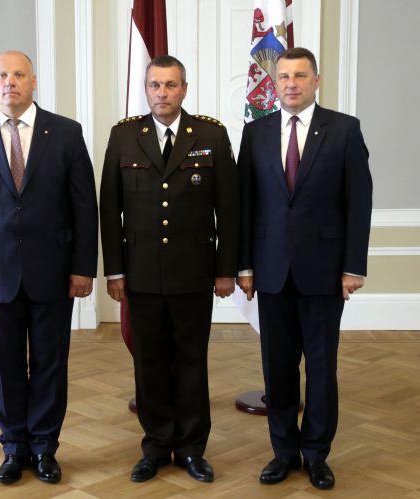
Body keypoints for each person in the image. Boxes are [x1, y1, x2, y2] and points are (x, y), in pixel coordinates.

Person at [0, 50, 98, 485]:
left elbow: (84, 207)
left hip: (54, 271)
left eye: (18, 74)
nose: (10, 82)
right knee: (4, 365)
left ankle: (45, 447)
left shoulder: (66, 132)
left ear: (33, 82)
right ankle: (14, 447)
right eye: (2, 75)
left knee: (50, 364)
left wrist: (84, 267)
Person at [237, 47, 372, 490]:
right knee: (277, 369)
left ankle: (316, 454)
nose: (291, 84)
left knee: (321, 368)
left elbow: (358, 203)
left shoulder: (344, 130)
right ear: (274, 83)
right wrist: (244, 265)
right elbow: (245, 205)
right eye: (283, 77)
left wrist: (353, 266)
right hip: (271, 271)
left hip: (324, 272)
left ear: (316, 80)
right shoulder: (255, 132)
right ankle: (283, 451)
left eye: (300, 76)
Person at [100, 55, 239, 483]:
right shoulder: (125, 136)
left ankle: (193, 448)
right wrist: (115, 272)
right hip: (141, 274)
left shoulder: (211, 135)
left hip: (194, 272)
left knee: (192, 361)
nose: (162, 93)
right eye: (155, 85)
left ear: (184, 89)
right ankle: (157, 446)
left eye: (171, 85)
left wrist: (225, 270)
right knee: (150, 363)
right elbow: (110, 208)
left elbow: (229, 209)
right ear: (146, 89)